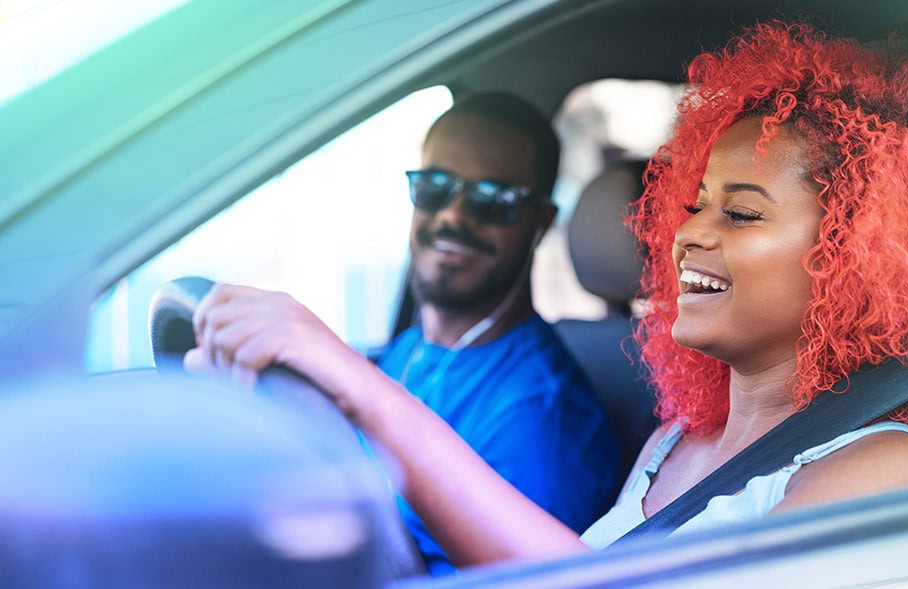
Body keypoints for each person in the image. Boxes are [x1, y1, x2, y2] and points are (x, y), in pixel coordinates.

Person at [186, 20, 908, 568]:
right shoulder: (678, 439)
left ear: (856, 256)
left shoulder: (882, 469)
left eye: (742, 213)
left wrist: (359, 386)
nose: (689, 234)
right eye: (696, 202)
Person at [185, 92, 620, 574]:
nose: (454, 214)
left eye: (493, 200)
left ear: (540, 223)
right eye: (435, 187)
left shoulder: (542, 416)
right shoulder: (411, 349)